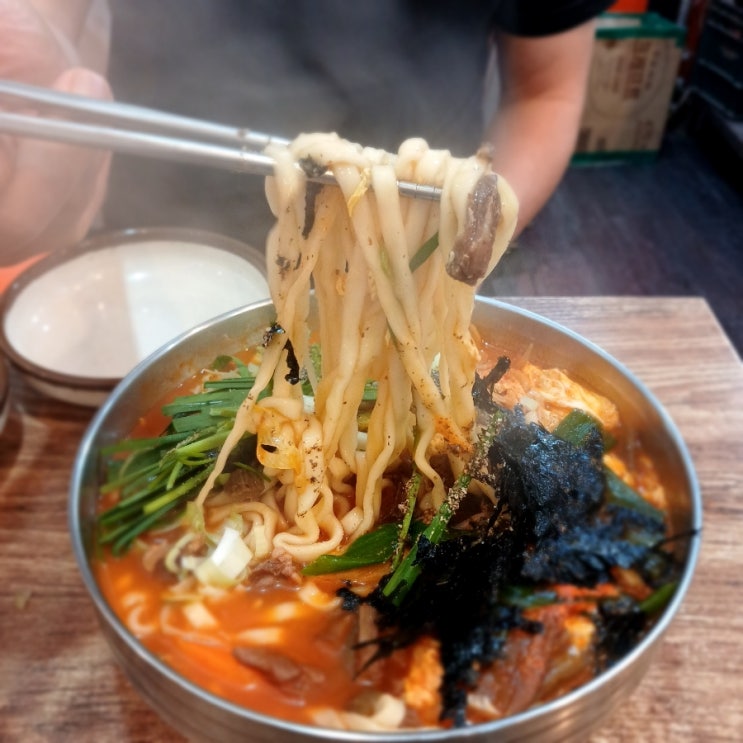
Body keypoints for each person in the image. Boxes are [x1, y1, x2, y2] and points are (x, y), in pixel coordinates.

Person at [1, 0, 612, 287]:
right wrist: (27, 52)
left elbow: (545, 93)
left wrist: (472, 238)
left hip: (418, 265)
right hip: (154, 263)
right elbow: (40, 15)